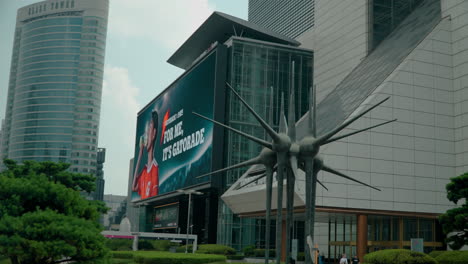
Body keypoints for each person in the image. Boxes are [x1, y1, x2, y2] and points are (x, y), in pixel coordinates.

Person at [132, 109, 159, 199]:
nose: (147, 134)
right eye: (147, 131)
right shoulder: (144, 170)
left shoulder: (155, 169)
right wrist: (140, 154)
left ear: (154, 133)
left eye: (149, 129)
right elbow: (133, 187)